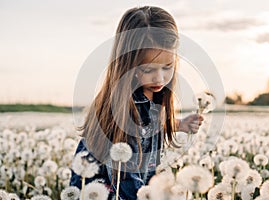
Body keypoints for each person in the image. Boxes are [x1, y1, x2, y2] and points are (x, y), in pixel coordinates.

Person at [70, 6, 203, 199]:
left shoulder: (151, 95)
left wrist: (178, 124)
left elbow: (150, 127)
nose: (159, 78)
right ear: (127, 63)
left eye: (168, 67)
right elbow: (125, 181)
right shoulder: (120, 113)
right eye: (148, 70)